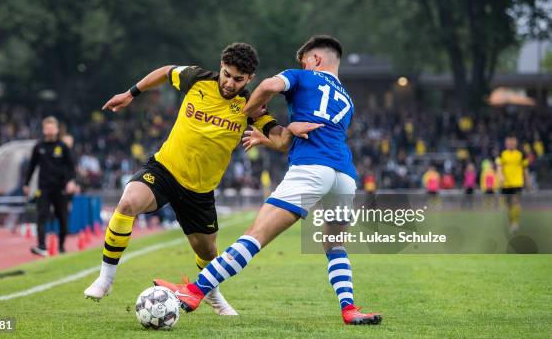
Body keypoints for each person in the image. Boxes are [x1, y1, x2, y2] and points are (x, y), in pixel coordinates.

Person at [155, 35, 382, 325]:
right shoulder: (347, 100)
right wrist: (271, 137)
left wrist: (248, 111)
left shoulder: (302, 76)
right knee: (335, 245)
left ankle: (193, 292)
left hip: (311, 168)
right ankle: (349, 309)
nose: (301, 65)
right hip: (345, 176)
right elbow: (299, 137)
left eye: (304, 61)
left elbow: (267, 86)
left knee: (255, 235)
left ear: (315, 60)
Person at [83, 43, 319, 316]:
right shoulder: (196, 78)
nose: (230, 83)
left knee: (207, 252)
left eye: (238, 79)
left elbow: (280, 141)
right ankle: (106, 279)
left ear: (250, 79)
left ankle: (213, 294)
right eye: (227, 74)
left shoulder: (250, 104)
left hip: (200, 190)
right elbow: (165, 71)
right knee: (127, 203)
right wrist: (130, 93)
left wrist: (286, 130)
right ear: (221, 66)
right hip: (165, 170)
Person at [23, 116, 77, 256]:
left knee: (62, 218)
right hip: (44, 188)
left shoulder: (63, 147)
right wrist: (26, 183)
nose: (50, 130)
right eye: (47, 128)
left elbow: (71, 166)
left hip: (60, 188)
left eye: (52, 127)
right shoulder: (38, 147)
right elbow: (32, 166)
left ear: (57, 129)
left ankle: (61, 246)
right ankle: (41, 246)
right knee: (41, 216)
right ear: (44, 130)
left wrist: (71, 181)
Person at [496, 135, 530, 234]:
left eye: (512, 141)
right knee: (508, 206)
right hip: (505, 184)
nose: (510, 143)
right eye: (509, 141)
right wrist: (500, 176)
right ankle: (512, 223)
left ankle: (515, 223)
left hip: (517, 182)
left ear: (516, 142)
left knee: (515, 202)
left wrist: (527, 181)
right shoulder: (502, 154)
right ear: (506, 143)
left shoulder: (521, 154)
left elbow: (525, 169)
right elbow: (499, 166)